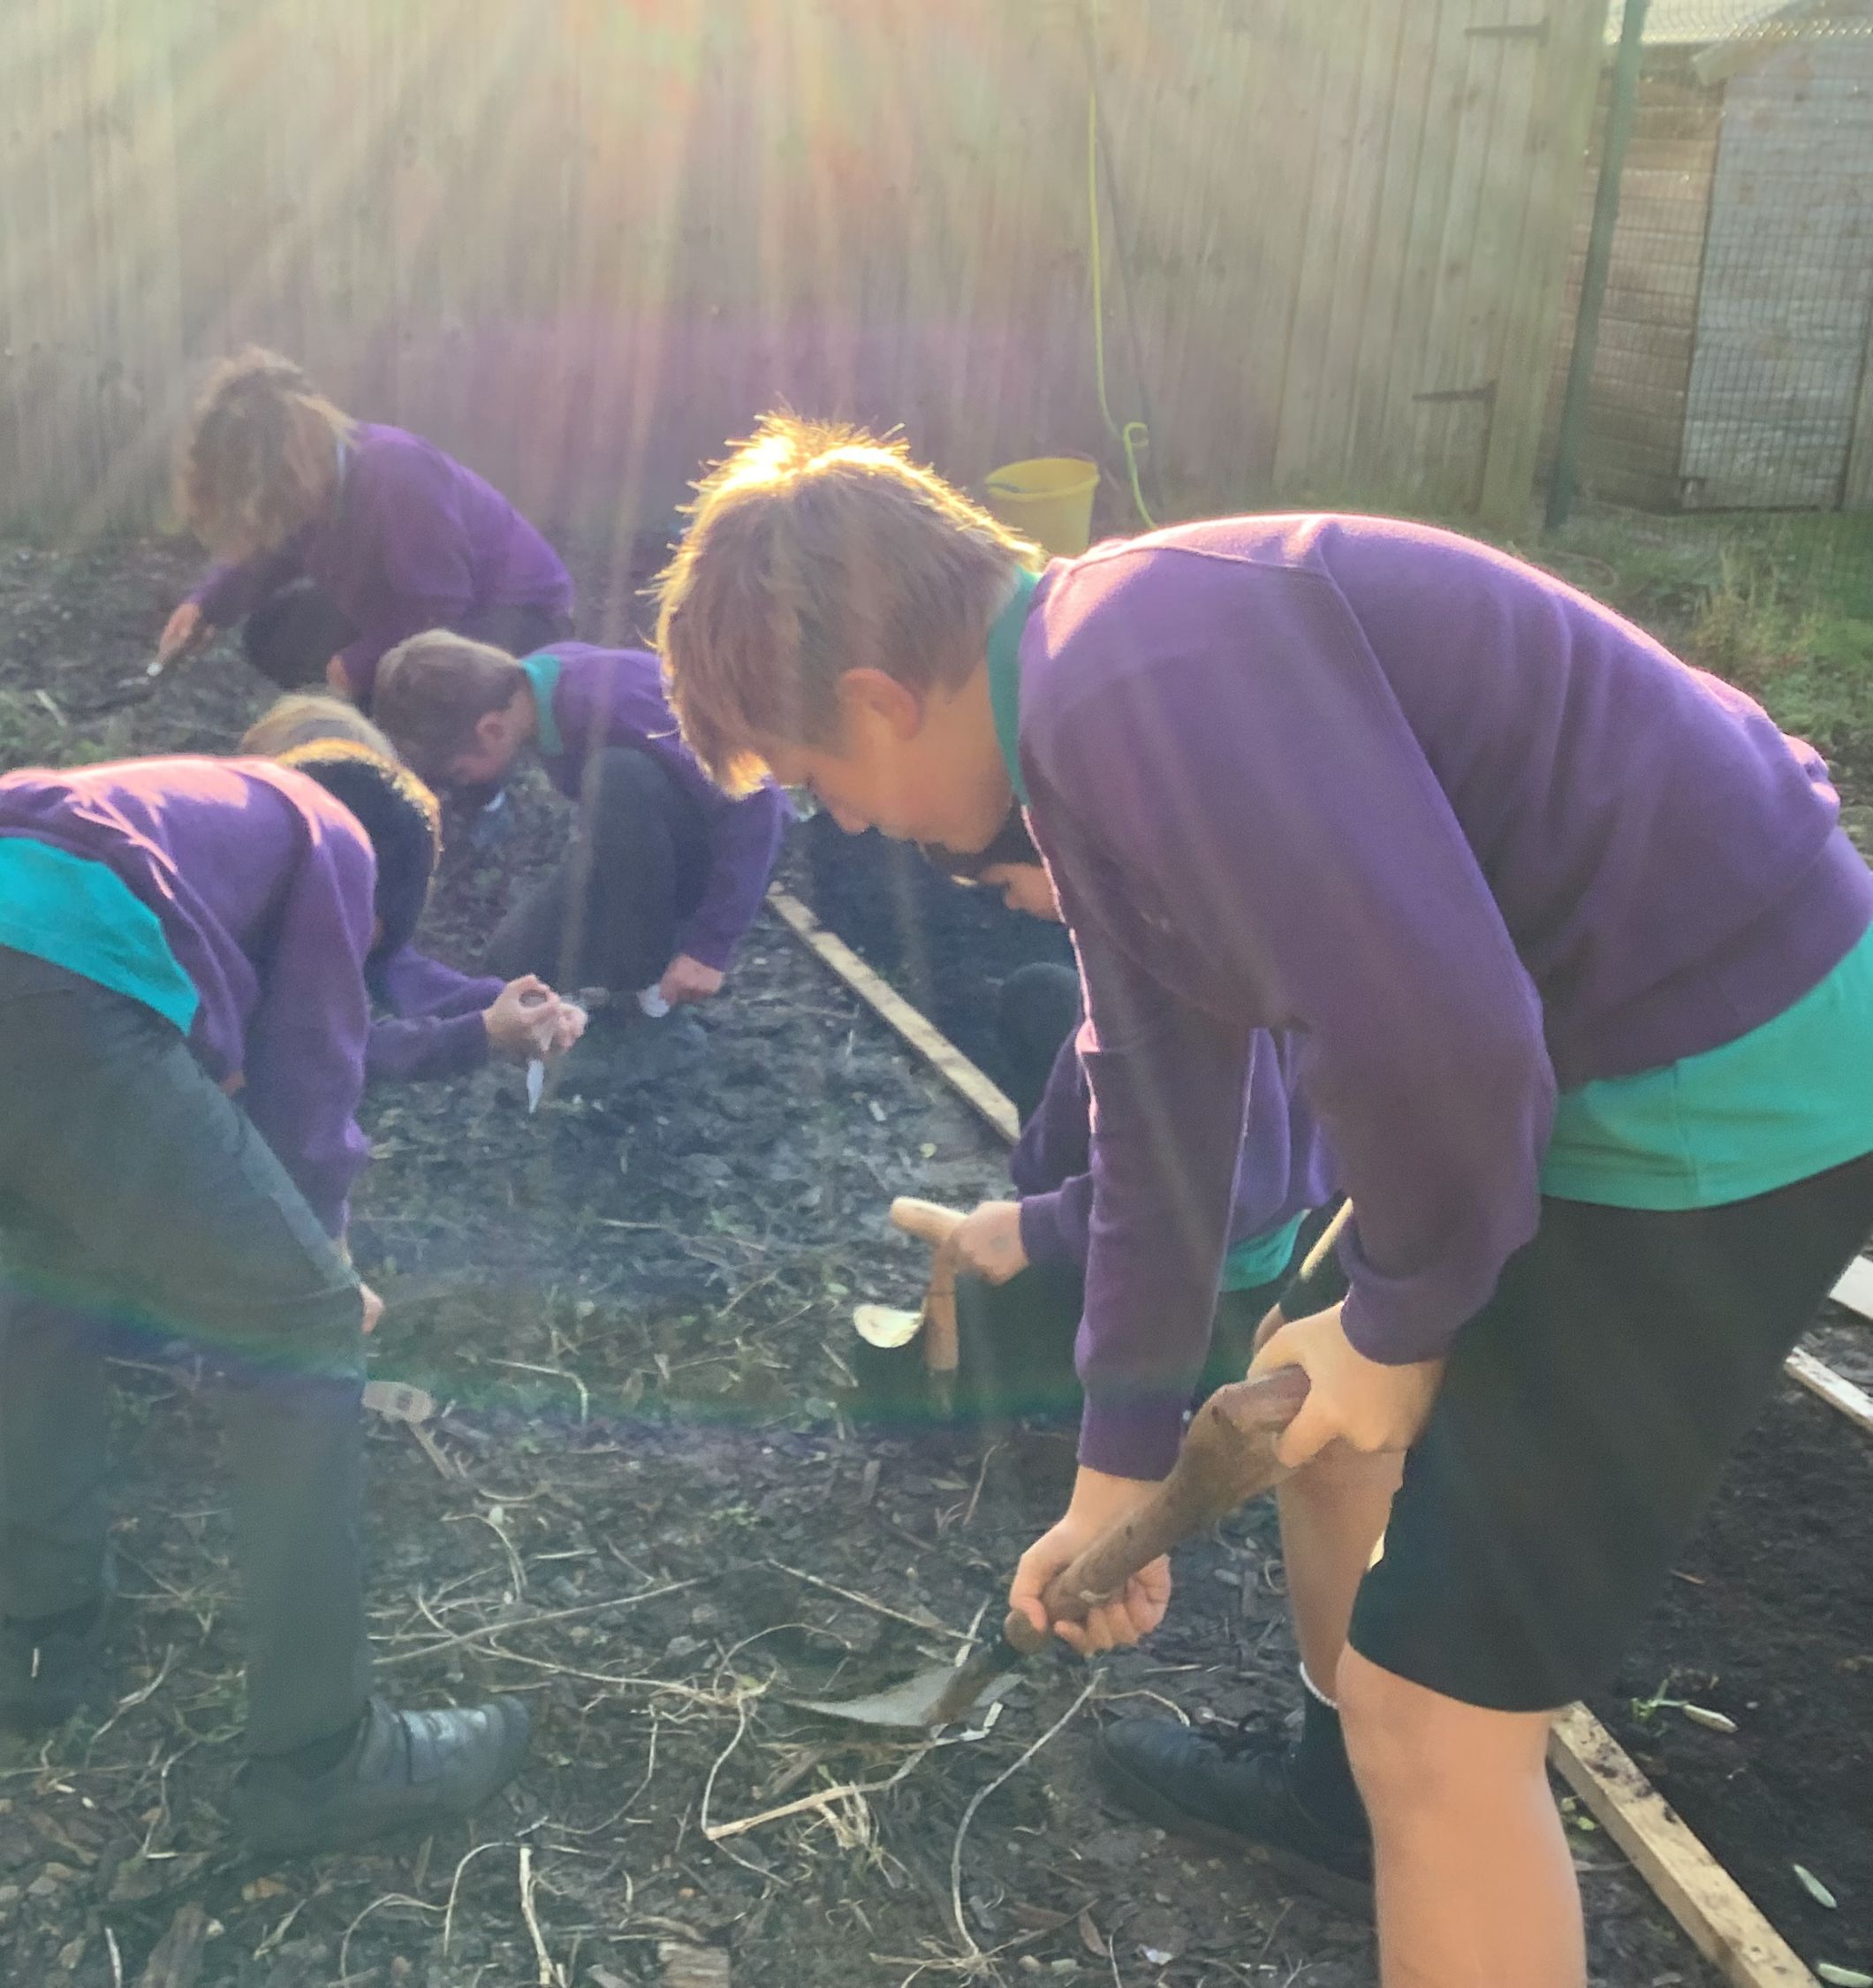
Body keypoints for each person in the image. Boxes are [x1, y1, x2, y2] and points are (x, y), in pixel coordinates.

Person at [653, 415, 1873, 1979]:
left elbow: (1451, 1041)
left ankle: (1408, 1788)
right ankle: (1343, 1804)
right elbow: (1163, 1107)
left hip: (1720, 1069)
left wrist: (1409, 1318)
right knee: (1318, 1411)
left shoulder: (1140, 680)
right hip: (1598, 1043)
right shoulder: (1080, 703)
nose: (849, 820)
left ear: (882, 700)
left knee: (1438, 1721)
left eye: (820, 779)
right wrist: (1117, 1462)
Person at [0, 747, 530, 1857]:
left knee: (50, 1247)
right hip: (37, 991)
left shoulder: (153, 807)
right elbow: (309, 1072)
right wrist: (319, 1256)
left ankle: (43, 1632)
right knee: (305, 1322)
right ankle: (323, 1758)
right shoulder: (331, 828)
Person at [892, 844, 1336, 1430]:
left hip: (1202, 1262)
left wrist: (1042, 1227)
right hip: (1174, 1180)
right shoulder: (1155, 909)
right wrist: (1038, 1188)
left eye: (1004, 883)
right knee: (1038, 995)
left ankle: (1172, 1361)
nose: (1010, 905)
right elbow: (1085, 1062)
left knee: (1001, 1332)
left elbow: (1223, 1194)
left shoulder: (1187, 983)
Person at [371, 631, 792, 1074]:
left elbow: (761, 803)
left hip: (726, 848)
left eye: (459, 774)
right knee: (511, 964)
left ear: (491, 730)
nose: (462, 786)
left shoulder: (610, 702)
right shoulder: (534, 686)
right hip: (639, 844)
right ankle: (622, 987)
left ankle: (653, 1011)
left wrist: (709, 948)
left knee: (617, 777)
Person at [155, 349, 573, 706]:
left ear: (293, 457)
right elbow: (274, 549)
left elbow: (439, 609)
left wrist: (358, 665)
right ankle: (369, 709)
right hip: (407, 599)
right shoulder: (312, 484)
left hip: (511, 618)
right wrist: (206, 605)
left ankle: (433, 755)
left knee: (412, 687)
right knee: (274, 632)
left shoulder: (395, 474)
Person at [238, 694, 587, 1084]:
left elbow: (401, 971)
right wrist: (481, 1033)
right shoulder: (248, 927)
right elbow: (333, 1051)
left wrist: (516, 1004)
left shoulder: (344, 895)